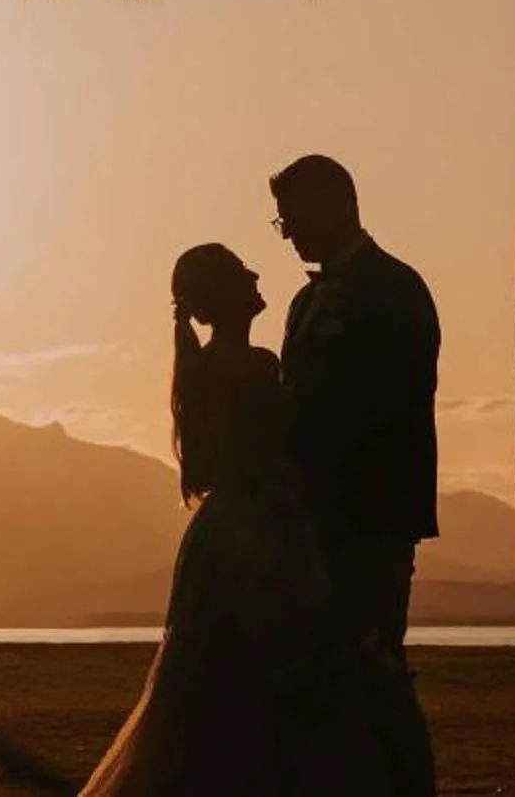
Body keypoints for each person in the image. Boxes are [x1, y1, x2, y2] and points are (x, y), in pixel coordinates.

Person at [78, 243, 392, 796]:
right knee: (263, 676)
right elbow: (278, 449)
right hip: (260, 527)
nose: (255, 275)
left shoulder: (211, 367)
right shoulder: (251, 366)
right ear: (225, 295)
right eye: (242, 271)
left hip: (225, 532)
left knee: (208, 685)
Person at [274, 153, 440, 796]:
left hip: (371, 517)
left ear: (341, 202)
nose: (290, 234)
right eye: (282, 223)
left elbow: (395, 400)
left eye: (297, 217)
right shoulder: (303, 302)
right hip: (310, 523)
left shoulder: (396, 289)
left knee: (374, 667)